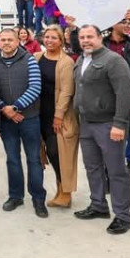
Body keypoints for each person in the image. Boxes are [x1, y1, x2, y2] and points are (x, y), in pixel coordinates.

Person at [73, 25, 130, 235]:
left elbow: (124, 94)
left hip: (108, 124)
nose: (85, 40)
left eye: (90, 36)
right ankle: (98, 205)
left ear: (100, 37)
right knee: (92, 167)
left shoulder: (113, 61)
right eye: (82, 37)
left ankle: (123, 216)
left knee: (116, 171)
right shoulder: (82, 59)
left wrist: (119, 124)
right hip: (87, 123)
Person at [0, 28, 46, 217]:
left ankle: (38, 199)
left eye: (10, 40)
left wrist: (16, 107)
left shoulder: (29, 59)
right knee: (12, 159)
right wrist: (5, 108)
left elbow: (36, 86)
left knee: (34, 160)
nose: (6, 43)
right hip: (6, 121)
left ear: (17, 41)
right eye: (3, 39)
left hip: (29, 119)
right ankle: (16, 196)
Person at [36, 26, 78, 209]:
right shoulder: (37, 57)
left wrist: (59, 115)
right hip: (40, 114)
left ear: (61, 40)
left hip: (58, 115)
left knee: (58, 153)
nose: (50, 40)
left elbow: (67, 91)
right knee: (49, 154)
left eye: (54, 37)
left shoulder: (66, 62)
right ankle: (60, 190)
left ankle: (66, 192)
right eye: (47, 37)